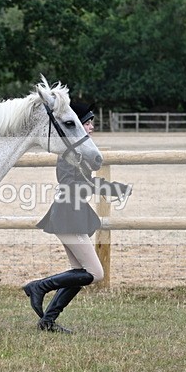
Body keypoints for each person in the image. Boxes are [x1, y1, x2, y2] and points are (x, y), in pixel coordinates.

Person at [24, 102, 131, 333]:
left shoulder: (78, 151)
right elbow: (71, 184)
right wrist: (110, 189)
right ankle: (38, 286)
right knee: (95, 273)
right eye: (87, 122)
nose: (91, 127)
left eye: (92, 122)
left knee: (78, 274)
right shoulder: (68, 153)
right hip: (67, 213)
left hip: (72, 212)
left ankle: (47, 321)